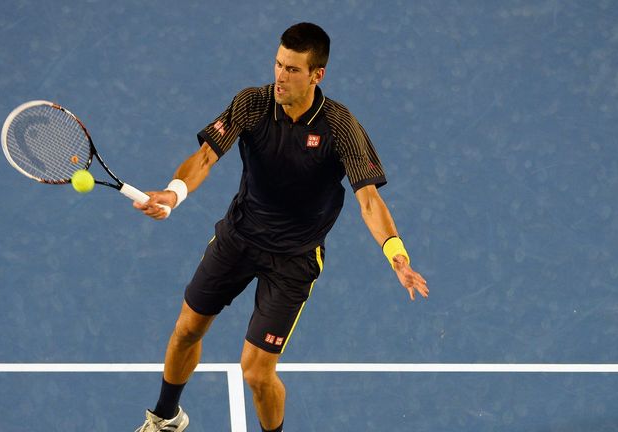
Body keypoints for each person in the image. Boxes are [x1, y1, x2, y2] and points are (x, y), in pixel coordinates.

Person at [133, 22, 429, 432]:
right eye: (278, 64)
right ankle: (166, 417)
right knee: (186, 329)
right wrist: (174, 193)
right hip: (239, 236)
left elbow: (368, 200)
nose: (280, 75)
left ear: (316, 74)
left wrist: (398, 258)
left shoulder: (340, 128)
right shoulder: (253, 104)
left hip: (294, 259)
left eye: (292, 69)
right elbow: (205, 156)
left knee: (255, 373)